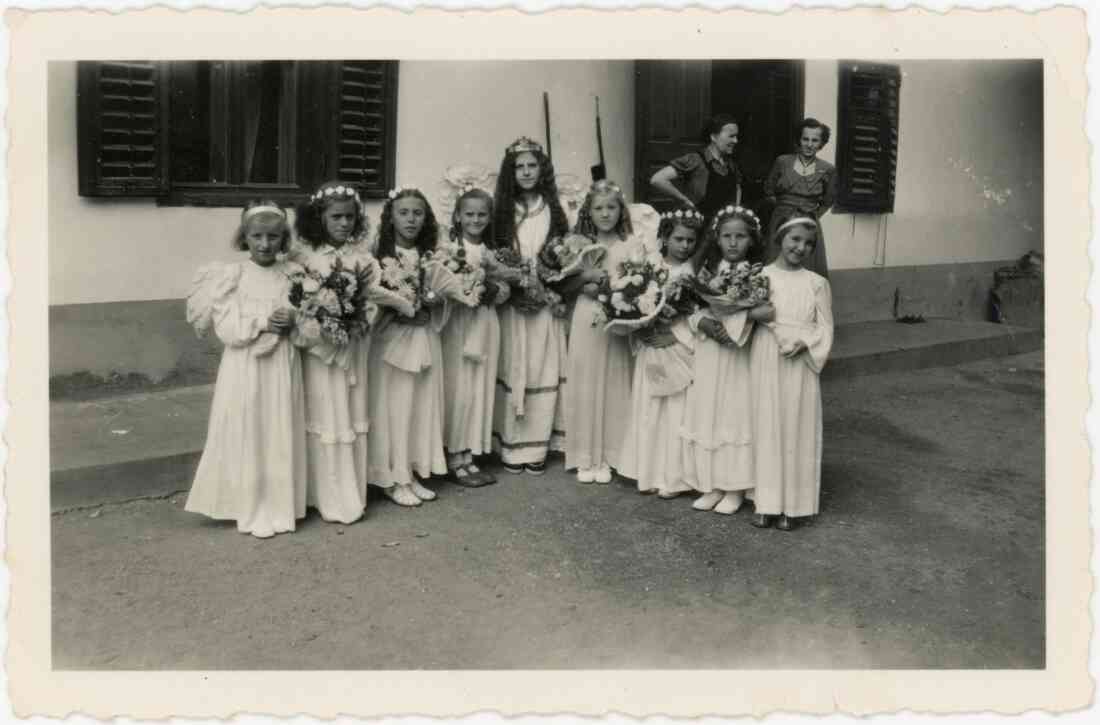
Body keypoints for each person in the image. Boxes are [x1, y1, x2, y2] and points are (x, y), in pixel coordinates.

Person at [184, 200, 306, 538]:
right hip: (245, 367)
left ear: (284, 239)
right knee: (248, 426)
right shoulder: (231, 276)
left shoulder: (294, 275)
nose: (265, 244)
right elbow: (228, 329)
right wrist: (263, 321)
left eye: (273, 237)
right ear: (245, 238)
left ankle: (280, 506)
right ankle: (248, 504)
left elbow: (308, 318)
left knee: (277, 426)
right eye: (257, 237)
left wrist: (293, 319)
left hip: (282, 362)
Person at [290, 181, 380, 525]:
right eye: (336, 217)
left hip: (353, 346)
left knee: (350, 410)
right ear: (319, 218)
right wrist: (322, 323)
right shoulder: (306, 258)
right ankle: (321, 494)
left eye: (349, 217)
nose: (344, 224)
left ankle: (350, 492)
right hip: (319, 351)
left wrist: (357, 319)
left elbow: (374, 301)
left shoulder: (362, 258)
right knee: (325, 413)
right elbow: (299, 302)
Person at [682, 206, 773, 515]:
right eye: (727, 236)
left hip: (737, 354)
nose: (733, 243)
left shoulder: (757, 274)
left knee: (734, 414)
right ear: (717, 239)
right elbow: (692, 310)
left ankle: (734, 486)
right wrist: (702, 322)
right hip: (710, 350)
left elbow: (760, 313)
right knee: (710, 411)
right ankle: (712, 484)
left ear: (751, 240)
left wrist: (735, 321)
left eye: (740, 237)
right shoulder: (706, 273)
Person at [490, 137, 570, 475]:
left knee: (542, 366)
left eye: (532, 165)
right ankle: (509, 446)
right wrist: (514, 285)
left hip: (544, 301)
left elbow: (563, 253)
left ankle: (536, 445)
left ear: (542, 170)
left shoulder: (553, 208)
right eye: (519, 167)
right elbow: (494, 255)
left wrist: (546, 285)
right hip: (512, 301)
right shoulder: (501, 210)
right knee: (513, 365)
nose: (525, 172)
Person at [750, 216, 834, 531]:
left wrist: (806, 342)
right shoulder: (760, 276)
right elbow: (747, 316)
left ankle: (794, 506)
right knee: (767, 423)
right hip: (767, 352)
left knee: (797, 424)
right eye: (795, 239)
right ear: (780, 237)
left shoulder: (816, 283)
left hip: (800, 358)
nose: (801, 247)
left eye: (808, 243)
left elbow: (825, 326)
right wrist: (756, 315)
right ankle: (766, 501)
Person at [367, 187, 449, 506]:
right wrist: (400, 309)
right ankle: (392, 476)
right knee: (394, 406)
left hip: (425, 336)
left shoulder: (432, 257)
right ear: (391, 218)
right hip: (391, 341)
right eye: (403, 213)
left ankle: (411, 471)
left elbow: (444, 296)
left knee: (418, 405)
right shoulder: (379, 258)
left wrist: (433, 303)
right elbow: (374, 301)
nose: (411, 219)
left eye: (418, 213)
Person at [617, 208, 704, 498]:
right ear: (664, 238)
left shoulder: (692, 274)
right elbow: (634, 301)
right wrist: (640, 327)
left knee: (675, 410)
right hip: (650, 346)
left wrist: (674, 335)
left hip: (676, 346)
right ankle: (648, 472)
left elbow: (694, 315)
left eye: (691, 240)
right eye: (678, 238)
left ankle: (674, 477)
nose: (684, 246)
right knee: (650, 405)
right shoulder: (648, 268)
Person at [560, 180, 634, 484]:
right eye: (599, 208)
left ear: (621, 210)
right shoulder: (577, 245)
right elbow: (565, 283)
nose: (605, 213)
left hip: (615, 320)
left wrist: (612, 292)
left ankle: (609, 455)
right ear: (589, 212)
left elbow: (635, 283)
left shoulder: (630, 245)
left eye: (611, 207)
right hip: (586, 317)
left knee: (613, 380)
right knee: (586, 380)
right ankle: (585, 456)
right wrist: (587, 281)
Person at [440, 187, 508, 486]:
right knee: (460, 385)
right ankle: (455, 453)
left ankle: (471, 454)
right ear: (457, 216)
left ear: (489, 217)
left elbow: (504, 289)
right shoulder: (450, 250)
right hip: (460, 323)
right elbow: (444, 285)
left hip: (485, 320)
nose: (475, 219)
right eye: (469, 214)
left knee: (480, 384)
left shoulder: (492, 253)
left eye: (481, 214)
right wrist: (467, 290)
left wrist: (494, 290)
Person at [763, 118, 837, 277]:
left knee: (807, 267)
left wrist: (812, 215)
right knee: (776, 265)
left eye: (815, 140)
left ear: (821, 143)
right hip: (781, 221)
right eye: (805, 139)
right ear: (799, 139)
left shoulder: (828, 169)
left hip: (808, 221)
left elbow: (828, 200)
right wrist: (782, 210)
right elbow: (768, 189)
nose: (809, 144)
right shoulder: (782, 161)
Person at [648, 114, 743, 222]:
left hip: (723, 229)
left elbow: (738, 187)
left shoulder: (731, 165)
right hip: (699, 227)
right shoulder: (695, 160)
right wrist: (684, 201)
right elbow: (657, 179)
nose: (736, 141)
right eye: (731, 136)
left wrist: (736, 210)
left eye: (736, 136)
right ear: (714, 137)